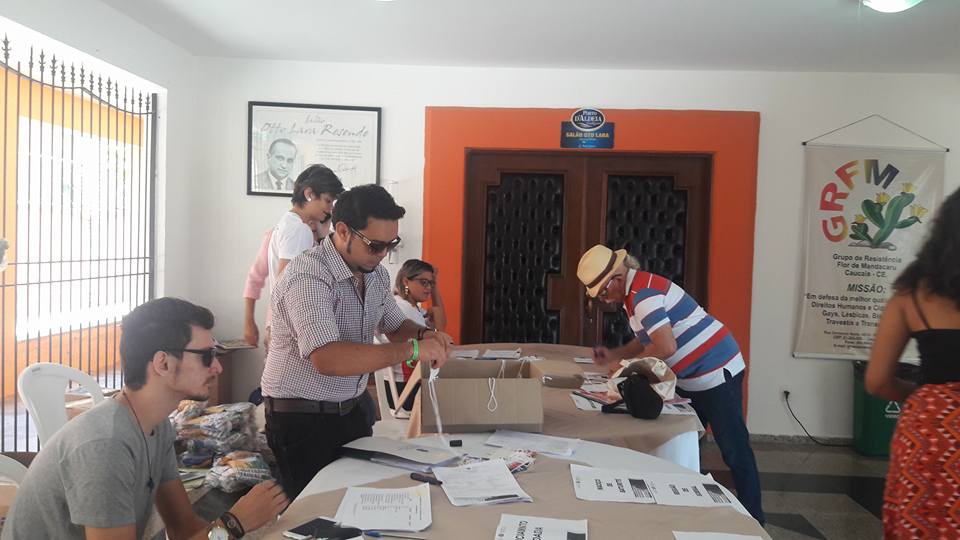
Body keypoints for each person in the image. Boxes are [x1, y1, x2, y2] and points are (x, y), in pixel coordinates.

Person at [2, 297, 288, 540]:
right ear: (163, 363)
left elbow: (184, 529)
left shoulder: (157, 426)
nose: (217, 367)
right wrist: (233, 525)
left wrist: (231, 527)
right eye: (206, 355)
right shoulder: (106, 445)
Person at [261, 184, 454, 498]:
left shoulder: (374, 273)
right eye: (375, 245)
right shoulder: (308, 276)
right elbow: (328, 358)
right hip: (301, 418)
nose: (383, 254)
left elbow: (395, 326)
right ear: (342, 231)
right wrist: (414, 349)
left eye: (391, 244)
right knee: (313, 511)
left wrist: (424, 334)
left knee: (357, 502)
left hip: (352, 409)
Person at [577, 244, 765, 524]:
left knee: (733, 449)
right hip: (692, 378)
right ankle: (691, 508)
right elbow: (646, 339)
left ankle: (754, 519)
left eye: (603, 292)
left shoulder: (643, 295)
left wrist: (626, 366)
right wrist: (616, 355)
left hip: (717, 373)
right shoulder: (634, 293)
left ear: (616, 277)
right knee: (683, 443)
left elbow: (665, 346)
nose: (603, 299)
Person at [866, 187, 960, 538]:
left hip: (930, 434)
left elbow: (877, 381)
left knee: (923, 522)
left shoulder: (912, 296)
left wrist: (930, 398)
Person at [383, 259, 447, 411]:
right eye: (424, 282)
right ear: (406, 281)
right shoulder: (401, 308)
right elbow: (440, 334)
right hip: (405, 388)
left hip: (415, 382)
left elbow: (440, 326)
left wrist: (435, 289)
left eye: (431, 283)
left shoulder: (415, 309)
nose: (428, 288)